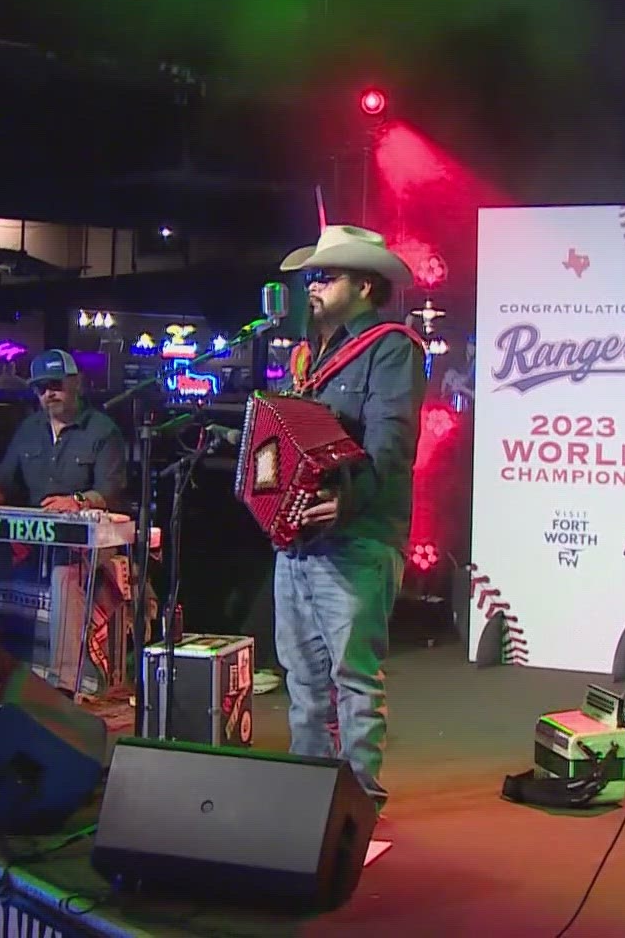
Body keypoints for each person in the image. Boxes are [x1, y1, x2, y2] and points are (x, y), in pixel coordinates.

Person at [272, 225, 425, 815]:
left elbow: (393, 445)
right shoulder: (310, 358)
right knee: (304, 681)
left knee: (352, 679)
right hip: (299, 539)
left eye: (323, 275)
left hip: (358, 536)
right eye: (310, 275)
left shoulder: (392, 347)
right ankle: (308, 805)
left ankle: (357, 812)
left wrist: (350, 497)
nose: (310, 286)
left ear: (364, 285)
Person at [0, 349, 128, 693]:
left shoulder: (103, 431)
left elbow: (111, 491)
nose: (48, 394)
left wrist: (77, 502)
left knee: (64, 571)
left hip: (89, 542)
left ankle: (65, 685)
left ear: (77, 384)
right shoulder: (29, 428)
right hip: (34, 535)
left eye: (55, 385)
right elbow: (2, 480)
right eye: (41, 388)